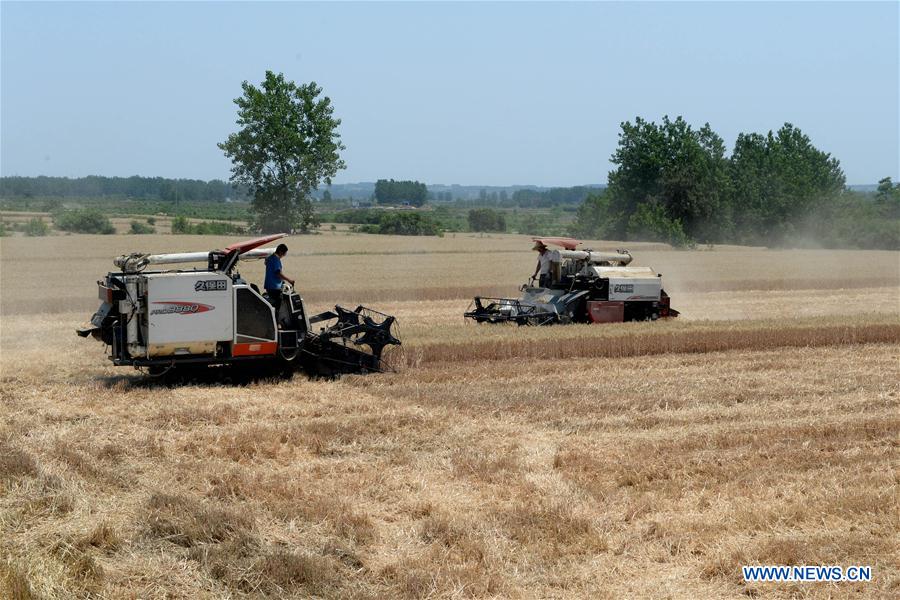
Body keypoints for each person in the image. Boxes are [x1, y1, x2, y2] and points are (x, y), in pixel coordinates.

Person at [264, 243, 295, 314]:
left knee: (273, 305)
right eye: (284, 254)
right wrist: (289, 280)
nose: (283, 256)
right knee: (277, 307)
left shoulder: (270, 258)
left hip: (269, 286)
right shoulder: (276, 260)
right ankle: (276, 323)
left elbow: (266, 264)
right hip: (274, 287)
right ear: (281, 252)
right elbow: (278, 273)